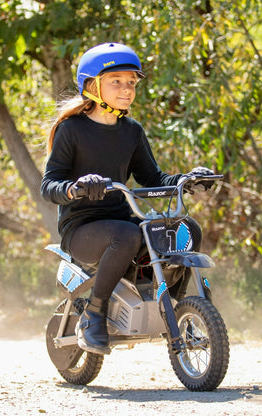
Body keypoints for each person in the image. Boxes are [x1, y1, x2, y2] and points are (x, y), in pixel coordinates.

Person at [41, 42, 213, 355]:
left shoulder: (131, 131)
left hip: (122, 222)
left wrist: (187, 180)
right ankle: (93, 312)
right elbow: (49, 185)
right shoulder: (72, 130)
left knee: (187, 229)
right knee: (127, 234)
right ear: (93, 86)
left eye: (131, 82)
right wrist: (76, 187)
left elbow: (154, 179)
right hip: (82, 229)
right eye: (116, 81)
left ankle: (173, 305)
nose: (127, 89)